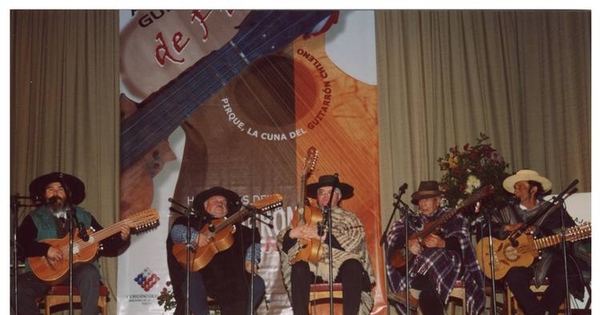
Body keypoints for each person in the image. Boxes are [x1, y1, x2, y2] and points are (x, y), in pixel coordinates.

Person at [15, 172, 131, 315]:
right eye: (50, 189)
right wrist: (45, 249)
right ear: (44, 195)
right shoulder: (34, 218)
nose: (55, 192)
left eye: (60, 189)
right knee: (15, 287)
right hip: (42, 274)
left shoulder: (84, 217)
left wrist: (121, 238)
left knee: (89, 272)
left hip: (76, 272)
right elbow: (20, 244)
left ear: (68, 194)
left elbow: (105, 244)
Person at [488, 169, 590, 315]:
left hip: (549, 257)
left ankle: (541, 311)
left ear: (534, 190)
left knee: (566, 274)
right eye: (515, 187)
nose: (516, 191)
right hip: (520, 261)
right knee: (514, 276)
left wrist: (539, 230)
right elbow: (487, 229)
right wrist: (508, 227)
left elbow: (568, 233)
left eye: (520, 186)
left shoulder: (553, 211)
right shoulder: (505, 212)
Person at [278, 174, 376, 315]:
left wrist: (324, 236)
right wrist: (293, 233)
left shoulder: (349, 218)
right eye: (321, 192)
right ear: (317, 196)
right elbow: (284, 242)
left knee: (353, 265)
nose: (325, 196)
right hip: (313, 268)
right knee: (299, 267)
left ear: (339, 196)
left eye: (330, 192)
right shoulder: (307, 216)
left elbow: (355, 244)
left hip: (341, 269)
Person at [386, 180, 486, 315]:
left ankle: (413, 295)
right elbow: (393, 239)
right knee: (427, 288)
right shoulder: (412, 220)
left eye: (427, 199)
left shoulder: (453, 216)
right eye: (420, 200)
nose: (422, 204)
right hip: (419, 269)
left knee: (433, 254)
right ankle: (417, 291)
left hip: (449, 265)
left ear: (438, 201)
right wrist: (408, 244)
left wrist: (443, 243)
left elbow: (463, 242)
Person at [166, 186, 265, 315]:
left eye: (223, 202)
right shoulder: (191, 222)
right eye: (216, 200)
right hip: (202, 275)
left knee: (257, 283)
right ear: (205, 205)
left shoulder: (241, 231)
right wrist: (195, 236)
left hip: (233, 279)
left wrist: (250, 260)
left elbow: (253, 244)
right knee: (190, 280)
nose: (220, 203)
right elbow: (176, 232)